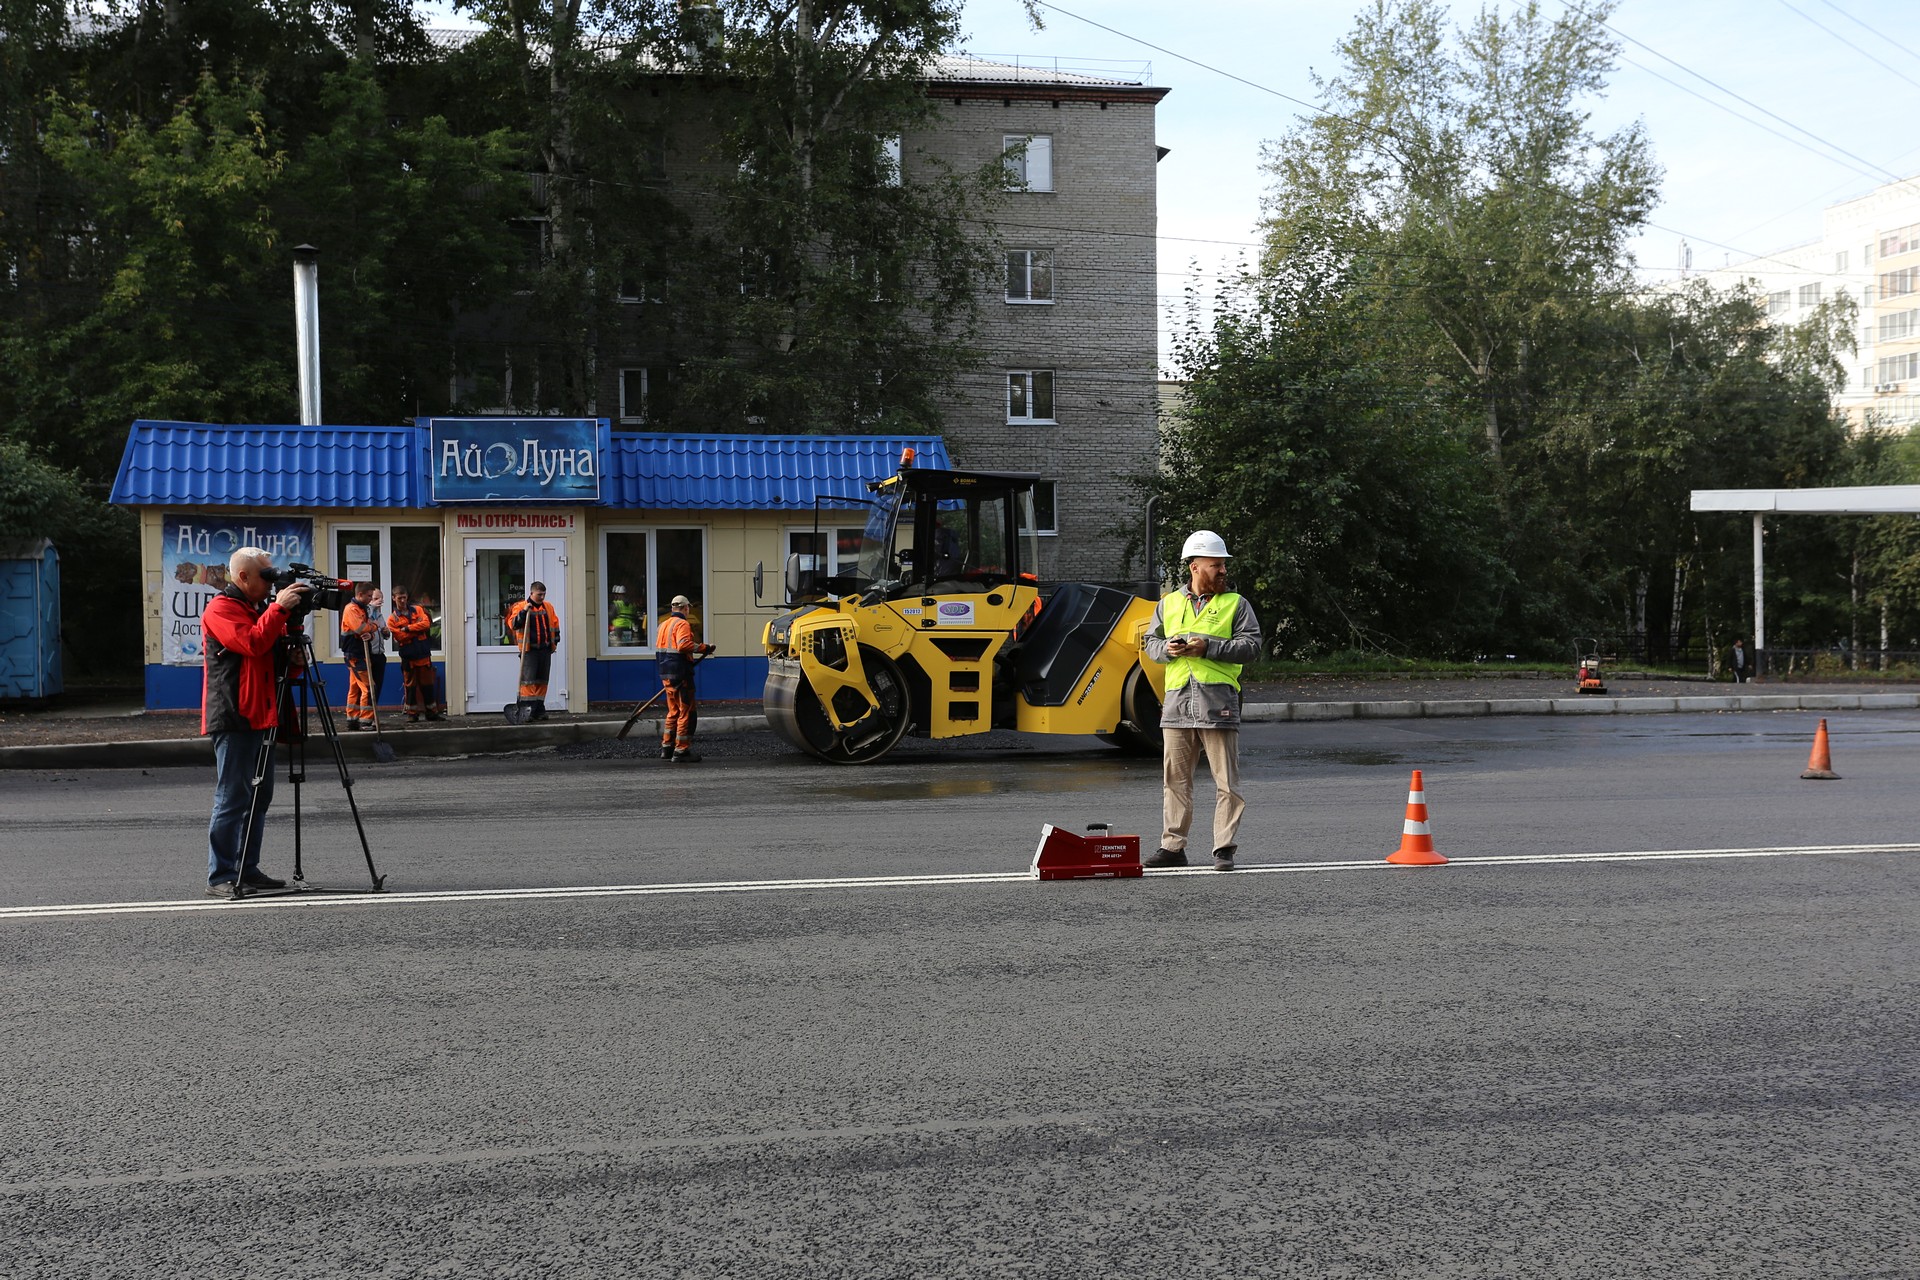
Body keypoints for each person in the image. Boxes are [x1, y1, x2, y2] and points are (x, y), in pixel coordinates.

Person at [1142, 530, 1264, 872]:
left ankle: (1223, 848)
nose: (1223, 571)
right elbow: (1150, 644)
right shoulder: (1168, 603)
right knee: (1175, 781)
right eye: (1216, 565)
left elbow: (1252, 647)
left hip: (1218, 702)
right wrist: (1166, 649)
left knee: (1227, 782)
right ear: (1195, 567)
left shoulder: (1236, 604)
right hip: (1177, 703)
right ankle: (1172, 847)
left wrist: (1207, 646)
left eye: (1223, 565)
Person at [200, 546, 309, 897]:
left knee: (259, 798)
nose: (271, 581)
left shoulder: (260, 610)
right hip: (233, 715)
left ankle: (247, 867)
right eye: (266, 575)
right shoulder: (221, 608)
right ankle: (220, 875)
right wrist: (279, 608)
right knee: (233, 797)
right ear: (242, 576)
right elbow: (251, 643)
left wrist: (293, 657)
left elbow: (274, 662)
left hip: (264, 713)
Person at [654, 594, 715, 762]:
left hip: (665, 673)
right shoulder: (682, 624)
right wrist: (704, 648)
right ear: (686, 608)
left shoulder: (663, 625)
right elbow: (683, 645)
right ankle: (681, 750)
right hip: (681, 674)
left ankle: (667, 747)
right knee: (685, 711)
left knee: (673, 710)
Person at [505, 581, 562, 721]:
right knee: (528, 682)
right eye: (539, 594)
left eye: (543, 594)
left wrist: (555, 641)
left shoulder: (548, 607)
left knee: (542, 681)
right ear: (531, 593)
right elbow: (513, 624)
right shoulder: (520, 607)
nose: (542, 597)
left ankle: (538, 709)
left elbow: (555, 624)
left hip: (545, 649)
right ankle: (526, 711)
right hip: (529, 651)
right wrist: (524, 612)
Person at [387, 587, 444, 721]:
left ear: (407, 597)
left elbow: (426, 624)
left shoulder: (418, 609)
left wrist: (408, 628)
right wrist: (416, 631)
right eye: (399, 597)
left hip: (423, 655)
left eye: (404, 597)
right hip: (409, 658)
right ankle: (412, 714)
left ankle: (432, 713)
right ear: (393, 598)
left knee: (428, 685)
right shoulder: (392, 619)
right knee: (410, 687)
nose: (402, 600)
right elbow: (399, 637)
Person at [338, 583, 377, 730]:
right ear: (360, 595)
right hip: (354, 654)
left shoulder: (361, 609)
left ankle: (352, 719)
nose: (370, 599)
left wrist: (370, 631)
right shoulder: (351, 609)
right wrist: (373, 628)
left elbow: (366, 630)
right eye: (369, 596)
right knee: (368, 687)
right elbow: (361, 628)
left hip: (358, 652)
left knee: (355, 687)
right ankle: (365, 721)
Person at [366, 587, 389, 708]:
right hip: (369, 654)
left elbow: (385, 636)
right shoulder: (366, 613)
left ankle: (372, 712)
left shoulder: (379, 615)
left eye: (381, 599)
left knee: (378, 686)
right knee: (368, 687)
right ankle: (367, 715)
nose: (379, 601)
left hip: (380, 654)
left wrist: (386, 632)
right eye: (375, 598)